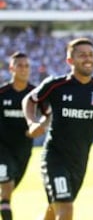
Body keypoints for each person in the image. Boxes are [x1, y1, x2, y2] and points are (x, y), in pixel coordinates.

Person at [22, 38, 93, 220]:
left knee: (56, 208)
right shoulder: (56, 85)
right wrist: (31, 122)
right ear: (70, 60)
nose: (88, 59)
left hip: (79, 161)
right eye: (82, 55)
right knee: (66, 208)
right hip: (55, 158)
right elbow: (29, 100)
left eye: (91, 55)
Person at [0, 52, 43, 220]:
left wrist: (39, 126)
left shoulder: (35, 94)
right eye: (20, 65)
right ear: (12, 68)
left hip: (24, 149)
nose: (24, 69)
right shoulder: (2, 92)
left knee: (10, 188)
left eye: (27, 66)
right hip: (2, 148)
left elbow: (48, 114)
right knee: (6, 187)